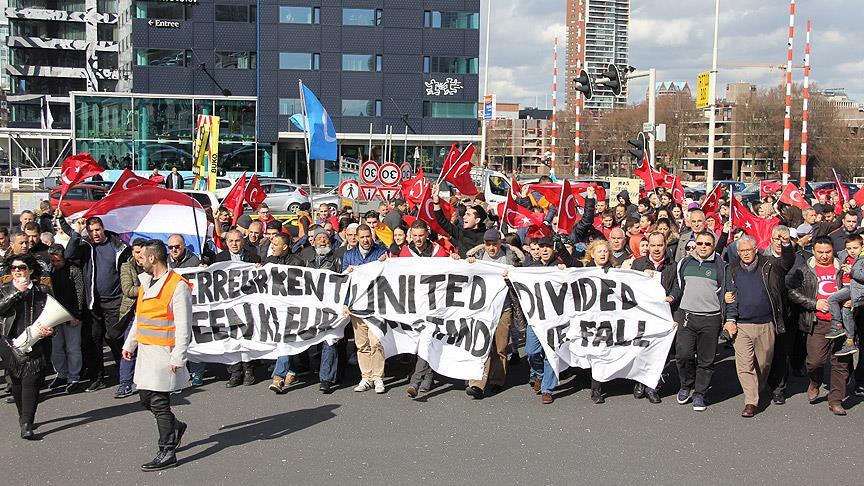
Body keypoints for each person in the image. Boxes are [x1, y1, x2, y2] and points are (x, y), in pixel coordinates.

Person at [122, 240, 191, 471]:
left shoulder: (177, 286)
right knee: (145, 399)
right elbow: (140, 317)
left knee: (160, 403)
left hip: (164, 354)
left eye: (142, 256)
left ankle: (167, 450)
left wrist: (178, 357)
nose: (138, 261)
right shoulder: (146, 283)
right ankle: (175, 426)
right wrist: (130, 344)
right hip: (146, 353)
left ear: (153, 258)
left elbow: (184, 325)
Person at [723, 235, 794, 417]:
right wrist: (730, 319)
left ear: (756, 250)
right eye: (742, 251)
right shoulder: (732, 269)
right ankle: (751, 402)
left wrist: (785, 245)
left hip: (766, 323)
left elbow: (787, 262)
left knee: (763, 363)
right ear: (738, 253)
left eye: (749, 250)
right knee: (745, 365)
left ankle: (759, 387)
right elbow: (728, 294)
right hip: (742, 324)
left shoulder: (770, 264)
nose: (746, 254)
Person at [58, 212, 130, 392]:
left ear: (103, 229)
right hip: (93, 304)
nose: (95, 234)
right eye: (91, 231)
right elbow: (68, 255)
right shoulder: (85, 246)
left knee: (115, 338)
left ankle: (125, 375)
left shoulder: (117, 246)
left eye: (98, 230)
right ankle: (97, 377)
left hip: (114, 302)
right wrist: (76, 232)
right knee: (93, 342)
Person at [788, 236, 853, 415]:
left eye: (828, 252)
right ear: (813, 251)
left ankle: (836, 400)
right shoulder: (804, 270)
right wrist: (814, 303)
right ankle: (815, 382)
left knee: (841, 363)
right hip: (817, 323)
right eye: (820, 252)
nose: (824, 256)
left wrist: (852, 301)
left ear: (833, 251)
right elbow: (792, 292)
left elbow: (858, 287)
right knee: (815, 362)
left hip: (841, 323)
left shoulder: (843, 268)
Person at [668, 231, 726, 412]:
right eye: (699, 243)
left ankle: (700, 393)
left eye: (707, 244)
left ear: (713, 245)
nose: (703, 247)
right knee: (683, 354)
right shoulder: (685, 262)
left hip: (710, 318)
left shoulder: (721, 266)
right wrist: (671, 297)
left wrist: (728, 318)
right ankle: (686, 385)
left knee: (706, 359)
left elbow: (726, 292)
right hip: (687, 316)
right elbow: (679, 286)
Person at [0, 254, 53, 439]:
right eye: (14, 268)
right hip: (9, 342)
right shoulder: (5, 289)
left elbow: (53, 314)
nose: (17, 271)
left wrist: (50, 330)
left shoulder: (42, 290)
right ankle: (22, 415)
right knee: (16, 383)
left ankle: (27, 423)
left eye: (21, 267)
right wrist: (17, 293)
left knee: (31, 381)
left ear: (30, 270)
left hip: (36, 341)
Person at [463, 228, 517, 400]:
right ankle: (476, 383)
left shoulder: (509, 258)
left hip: (504, 308)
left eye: (494, 244)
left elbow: (520, 277)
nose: (491, 248)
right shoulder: (478, 257)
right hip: (484, 308)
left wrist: (512, 277)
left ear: (500, 243)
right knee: (482, 344)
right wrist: (468, 263)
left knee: (500, 347)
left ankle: (497, 380)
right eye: (488, 244)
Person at [629, 232, 676, 403]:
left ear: (665, 245)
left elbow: (678, 288)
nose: (656, 249)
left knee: (661, 353)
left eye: (660, 245)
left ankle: (653, 387)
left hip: (664, 316)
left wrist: (672, 297)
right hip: (643, 315)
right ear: (648, 246)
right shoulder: (638, 263)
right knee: (641, 349)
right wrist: (641, 276)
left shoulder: (673, 265)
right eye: (653, 245)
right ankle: (640, 382)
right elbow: (629, 288)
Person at [342, 224, 388, 394]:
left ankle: (378, 377)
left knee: (376, 342)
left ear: (372, 235)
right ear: (357, 238)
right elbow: (344, 283)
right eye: (361, 237)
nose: (365, 240)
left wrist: (386, 262)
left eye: (367, 236)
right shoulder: (349, 255)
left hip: (376, 307)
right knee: (362, 344)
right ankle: (366, 377)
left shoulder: (381, 252)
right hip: (357, 307)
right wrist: (345, 303)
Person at [213, 230, 260, 386]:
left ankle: (249, 370)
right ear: (226, 243)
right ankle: (235, 372)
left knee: (247, 337)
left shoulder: (254, 257)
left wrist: (260, 269)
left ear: (243, 241)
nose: (234, 244)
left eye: (237, 241)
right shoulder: (219, 259)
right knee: (230, 338)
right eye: (231, 241)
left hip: (247, 305)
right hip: (228, 306)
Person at [47, 245, 84, 394]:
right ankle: (61, 373)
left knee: (72, 348)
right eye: (53, 261)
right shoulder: (50, 271)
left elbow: (79, 292)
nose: (56, 263)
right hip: (54, 314)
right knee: (56, 348)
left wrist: (77, 314)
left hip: (71, 314)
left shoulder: (73, 270)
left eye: (58, 260)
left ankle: (74, 376)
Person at [115, 239, 148, 399]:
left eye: (142, 252)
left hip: (151, 311)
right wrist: (148, 287)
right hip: (132, 312)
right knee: (129, 348)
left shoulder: (153, 266)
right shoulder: (126, 267)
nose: (140, 256)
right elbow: (128, 289)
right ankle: (125, 383)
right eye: (136, 252)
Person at [826, 234, 863, 356]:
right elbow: (835, 251)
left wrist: (851, 271)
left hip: (853, 289)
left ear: (862, 247)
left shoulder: (862, 259)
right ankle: (849, 341)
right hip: (845, 287)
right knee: (846, 312)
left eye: (855, 248)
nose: (852, 251)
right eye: (849, 248)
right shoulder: (844, 255)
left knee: (832, 299)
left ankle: (837, 324)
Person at [432, 184, 487, 257]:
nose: (464, 217)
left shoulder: (487, 237)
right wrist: (436, 200)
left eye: (468, 215)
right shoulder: (460, 232)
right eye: (465, 214)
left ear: (477, 220)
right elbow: (442, 221)